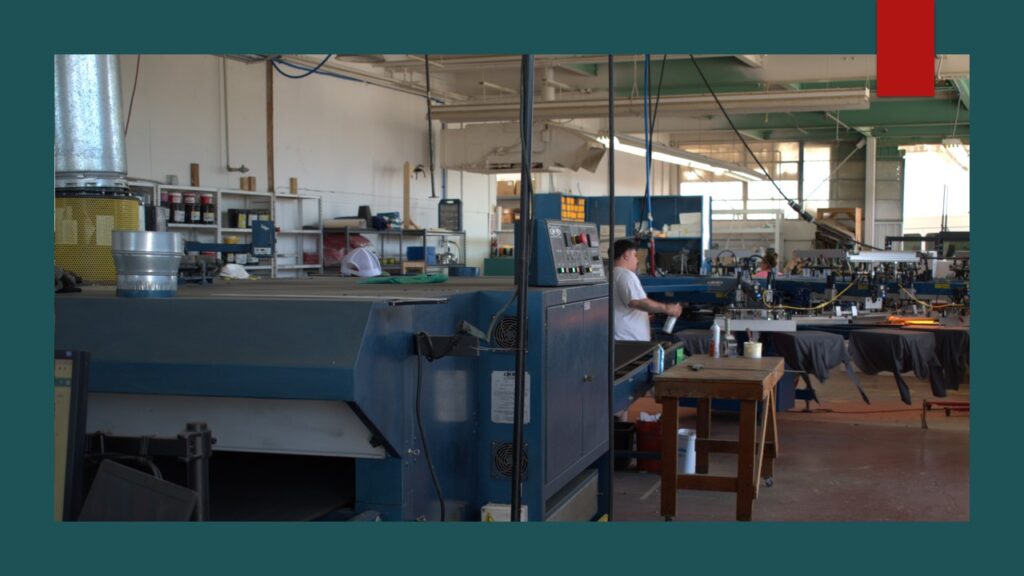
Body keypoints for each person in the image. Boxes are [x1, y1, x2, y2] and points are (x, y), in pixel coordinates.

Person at [613, 239, 683, 341]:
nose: (637, 261)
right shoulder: (626, 275)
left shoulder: (611, 274)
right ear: (626, 255)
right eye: (635, 255)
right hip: (630, 341)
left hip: (620, 339)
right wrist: (666, 308)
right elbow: (636, 302)